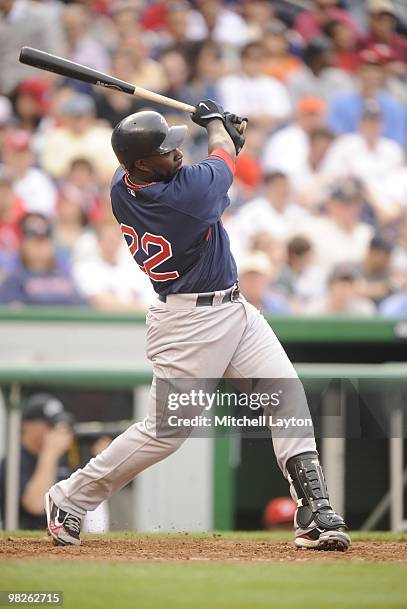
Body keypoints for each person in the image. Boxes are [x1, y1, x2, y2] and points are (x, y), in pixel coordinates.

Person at [44, 102, 350, 552]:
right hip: (189, 324)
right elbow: (222, 161)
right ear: (142, 165)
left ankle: (313, 511)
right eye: (166, 152)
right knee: (166, 432)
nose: (176, 154)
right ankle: (69, 497)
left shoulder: (122, 183)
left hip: (233, 308)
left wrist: (223, 136)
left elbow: (216, 159)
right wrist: (215, 125)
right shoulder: (180, 200)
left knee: (285, 393)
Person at [0, 394, 74, 530]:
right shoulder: (13, 461)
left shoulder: (62, 457)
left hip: (64, 544)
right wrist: (49, 453)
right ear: (27, 425)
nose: (56, 430)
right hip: (24, 545)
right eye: (49, 424)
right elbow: (36, 505)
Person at [0, 212, 85, 306]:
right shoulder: (14, 279)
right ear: (24, 246)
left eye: (43, 243)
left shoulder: (64, 276)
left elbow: (82, 307)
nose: (39, 249)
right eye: (35, 243)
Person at [306, 263, 376, 316]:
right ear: (330, 285)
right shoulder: (315, 309)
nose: (345, 289)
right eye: (342, 284)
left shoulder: (364, 309)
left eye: (350, 285)